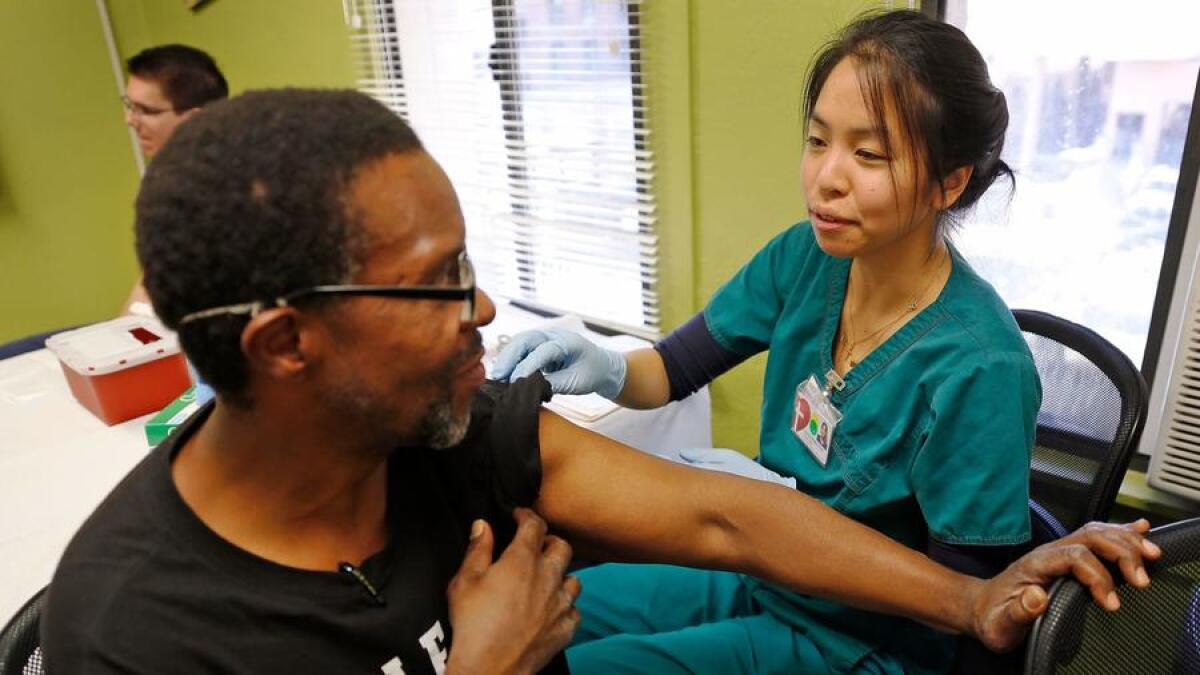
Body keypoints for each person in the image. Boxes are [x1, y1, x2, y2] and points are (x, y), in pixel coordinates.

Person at [40, 89, 1158, 675]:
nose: (482, 312)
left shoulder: (446, 435)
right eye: (443, 283)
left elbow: (725, 513)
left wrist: (975, 595)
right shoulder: (142, 637)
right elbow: (684, 380)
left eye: (869, 153)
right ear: (287, 346)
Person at [493, 10, 1056, 674]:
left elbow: (967, 611)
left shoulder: (980, 367)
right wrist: (608, 366)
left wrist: (778, 507)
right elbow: (674, 368)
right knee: (545, 606)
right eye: (819, 141)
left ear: (949, 181)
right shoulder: (805, 260)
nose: (827, 177)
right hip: (767, 570)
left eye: (868, 154)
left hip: (865, 641)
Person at [120, 44, 228, 315]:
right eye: (129, 106)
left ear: (192, 120)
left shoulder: (230, 189)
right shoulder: (170, 179)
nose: (130, 120)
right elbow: (151, 280)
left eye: (145, 110)